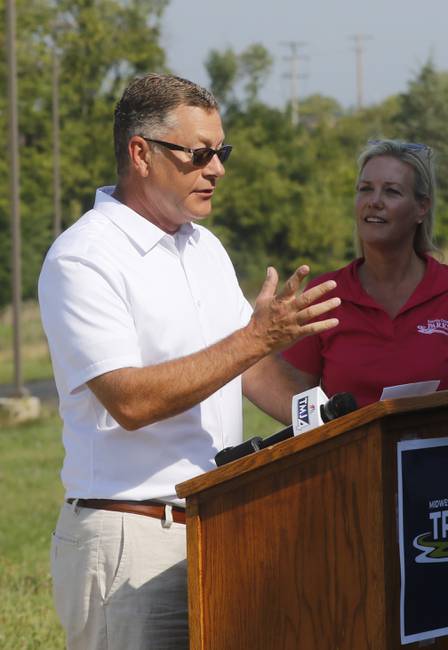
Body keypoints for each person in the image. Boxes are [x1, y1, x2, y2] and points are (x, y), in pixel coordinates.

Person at [38, 74, 340, 649]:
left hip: (216, 527)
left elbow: (251, 372)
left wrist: (344, 416)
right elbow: (130, 400)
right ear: (141, 153)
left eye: (221, 151)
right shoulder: (84, 257)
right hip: (132, 536)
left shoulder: (204, 247)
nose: (218, 168)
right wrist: (256, 338)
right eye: (199, 153)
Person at [282, 139, 448, 406]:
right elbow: (295, 409)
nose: (374, 201)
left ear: (421, 208)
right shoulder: (325, 296)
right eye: (365, 189)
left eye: (391, 192)